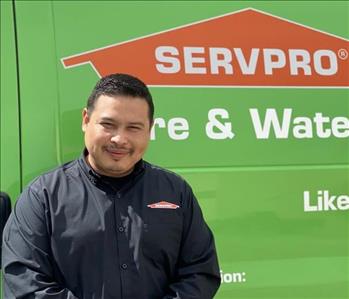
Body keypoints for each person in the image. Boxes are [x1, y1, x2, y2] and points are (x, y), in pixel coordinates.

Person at [2, 73, 221, 299]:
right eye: (108, 124)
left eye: (133, 127)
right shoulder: (42, 196)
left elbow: (200, 272)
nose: (119, 139)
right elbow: (25, 281)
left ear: (149, 129)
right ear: (86, 120)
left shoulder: (175, 192)